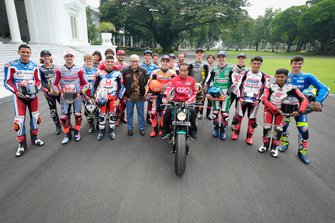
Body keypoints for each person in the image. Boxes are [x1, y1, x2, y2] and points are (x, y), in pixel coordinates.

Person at [279, 56, 329, 164]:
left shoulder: (308, 76)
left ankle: (302, 152)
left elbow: (324, 88)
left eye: (299, 64)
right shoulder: (285, 75)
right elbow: (272, 85)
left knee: (304, 130)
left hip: (301, 109)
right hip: (286, 108)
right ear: (290, 64)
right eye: (295, 63)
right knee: (283, 126)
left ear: (302, 64)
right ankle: (284, 143)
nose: (297, 66)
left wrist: (318, 101)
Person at [4, 44, 44, 157]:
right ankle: (21, 145)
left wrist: (36, 90)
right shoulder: (11, 65)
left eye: (27, 52)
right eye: (23, 52)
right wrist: (16, 91)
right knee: (19, 122)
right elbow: (7, 81)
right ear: (18, 52)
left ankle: (35, 138)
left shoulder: (35, 65)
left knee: (36, 118)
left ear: (30, 53)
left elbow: (38, 81)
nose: (25, 54)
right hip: (19, 97)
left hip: (33, 96)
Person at [258, 68, 308, 158]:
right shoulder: (270, 86)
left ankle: (274, 148)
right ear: (275, 76)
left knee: (278, 130)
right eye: (278, 77)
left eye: (282, 77)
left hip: (282, 113)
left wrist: (299, 111)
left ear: (287, 77)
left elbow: (304, 99)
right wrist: (276, 109)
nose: (280, 79)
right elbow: (265, 100)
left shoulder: (291, 88)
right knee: (267, 128)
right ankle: (265, 145)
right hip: (269, 110)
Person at [231, 56, 270, 145]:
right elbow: (239, 85)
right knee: (238, 116)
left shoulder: (264, 76)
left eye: (258, 64)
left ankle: (249, 137)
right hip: (242, 100)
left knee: (252, 119)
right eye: (254, 63)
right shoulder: (245, 73)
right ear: (251, 64)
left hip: (255, 102)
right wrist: (239, 98)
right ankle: (236, 133)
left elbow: (266, 89)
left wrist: (259, 101)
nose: (256, 65)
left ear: (261, 64)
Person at [53, 49, 88, 144]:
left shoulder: (79, 69)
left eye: (71, 56)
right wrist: (61, 93)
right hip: (64, 96)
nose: (69, 58)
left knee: (78, 115)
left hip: (77, 96)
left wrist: (79, 93)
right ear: (64, 57)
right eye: (67, 56)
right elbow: (54, 84)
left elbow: (86, 84)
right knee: (64, 117)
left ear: (73, 57)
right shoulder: (59, 69)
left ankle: (77, 132)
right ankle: (67, 134)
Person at [91, 56, 124, 140]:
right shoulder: (99, 73)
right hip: (102, 97)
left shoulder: (118, 74)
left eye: (111, 62)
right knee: (102, 116)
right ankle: (101, 131)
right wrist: (93, 96)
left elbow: (122, 88)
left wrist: (119, 99)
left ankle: (111, 131)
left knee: (112, 115)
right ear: (105, 62)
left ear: (114, 63)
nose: (109, 63)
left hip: (113, 97)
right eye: (108, 61)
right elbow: (94, 86)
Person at [162, 63, 197, 139]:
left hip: (187, 102)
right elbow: (168, 89)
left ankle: (193, 132)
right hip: (175, 102)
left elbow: (194, 93)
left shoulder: (192, 80)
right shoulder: (174, 80)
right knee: (167, 112)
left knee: (193, 112)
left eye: (185, 71)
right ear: (179, 70)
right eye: (181, 70)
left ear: (187, 71)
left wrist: (189, 101)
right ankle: (166, 131)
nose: (183, 72)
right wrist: (165, 98)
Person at [206, 51, 233, 140]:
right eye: (219, 57)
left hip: (226, 95)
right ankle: (216, 129)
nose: (221, 59)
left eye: (223, 57)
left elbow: (233, 84)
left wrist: (228, 94)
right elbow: (208, 82)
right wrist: (207, 93)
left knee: (225, 114)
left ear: (226, 58)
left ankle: (223, 130)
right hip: (216, 94)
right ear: (217, 59)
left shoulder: (230, 69)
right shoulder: (214, 69)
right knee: (215, 113)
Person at [147, 55, 176, 137]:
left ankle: (163, 128)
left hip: (167, 96)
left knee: (165, 113)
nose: (165, 63)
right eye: (163, 61)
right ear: (161, 62)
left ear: (169, 62)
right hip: (156, 95)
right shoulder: (155, 72)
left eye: (167, 61)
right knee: (153, 112)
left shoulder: (173, 73)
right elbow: (149, 83)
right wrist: (148, 93)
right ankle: (154, 129)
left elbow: (176, 85)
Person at [122, 54, 149, 136]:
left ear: (138, 61)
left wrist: (146, 93)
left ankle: (142, 128)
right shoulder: (124, 70)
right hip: (129, 96)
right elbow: (119, 81)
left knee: (141, 113)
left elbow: (147, 82)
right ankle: (130, 128)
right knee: (129, 113)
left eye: (136, 61)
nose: (135, 63)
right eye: (133, 61)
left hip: (140, 96)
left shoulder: (143, 70)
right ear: (130, 61)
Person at [39, 50, 61, 135]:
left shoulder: (56, 67)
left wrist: (60, 90)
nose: (46, 58)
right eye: (44, 56)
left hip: (58, 92)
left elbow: (61, 79)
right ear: (41, 58)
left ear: (50, 57)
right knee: (53, 110)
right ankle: (57, 126)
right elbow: (38, 82)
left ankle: (67, 124)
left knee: (64, 108)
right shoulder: (40, 69)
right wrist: (47, 91)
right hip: (49, 94)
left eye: (48, 56)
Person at [188, 48, 210, 119]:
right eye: (198, 53)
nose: (199, 54)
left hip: (201, 85)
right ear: (196, 54)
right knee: (192, 99)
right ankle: (191, 111)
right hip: (192, 86)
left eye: (201, 53)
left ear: (202, 55)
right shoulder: (191, 64)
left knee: (201, 99)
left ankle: (200, 112)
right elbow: (188, 75)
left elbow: (207, 76)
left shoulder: (205, 64)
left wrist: (204, 84)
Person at [141, 49, 158, 124]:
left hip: (150, 88)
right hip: (141, 87)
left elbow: (157, 78)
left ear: (151, 57)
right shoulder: (140, 66)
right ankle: (140, 118)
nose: (147, 57)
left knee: (150, 104)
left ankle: (149, 117)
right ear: (144, 56)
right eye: (146, 55)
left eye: (149, 55)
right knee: (140, 103)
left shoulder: (154, 66)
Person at [82, 54, 98, 133]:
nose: (89, 62)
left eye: (90, 61)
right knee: (87, 110)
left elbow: (98, 82)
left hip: (94, 92)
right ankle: (91, 125)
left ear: (93, 62)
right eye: (87, 61)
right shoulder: (81, 70)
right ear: (84, 61)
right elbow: (80, 83)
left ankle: (98, 123)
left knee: (97, 108)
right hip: (85, 93)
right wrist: (84, 95)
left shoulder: (96, 70)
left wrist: (95, 93)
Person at [114, 49, 128, 126]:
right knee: (117, 104)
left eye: (122, 55)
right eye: (119, 55)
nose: (121, 56)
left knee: (124, 103)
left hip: (124, 87)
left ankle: (122, 116)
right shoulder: (113, 64)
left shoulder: (126, 65)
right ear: (117, 55)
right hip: (115, 87)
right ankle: (116, 118)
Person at [205, 54, 216, 120]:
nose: (210, 59)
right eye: (209, 58)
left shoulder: (215, 67)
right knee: (202, 99)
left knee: (210, 100)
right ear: (207, 59)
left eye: (212, 58)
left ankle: (208, 114)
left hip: (212, 86)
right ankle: (199, 113)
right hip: (204, 85)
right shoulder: (205, 66)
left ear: (214, 60)